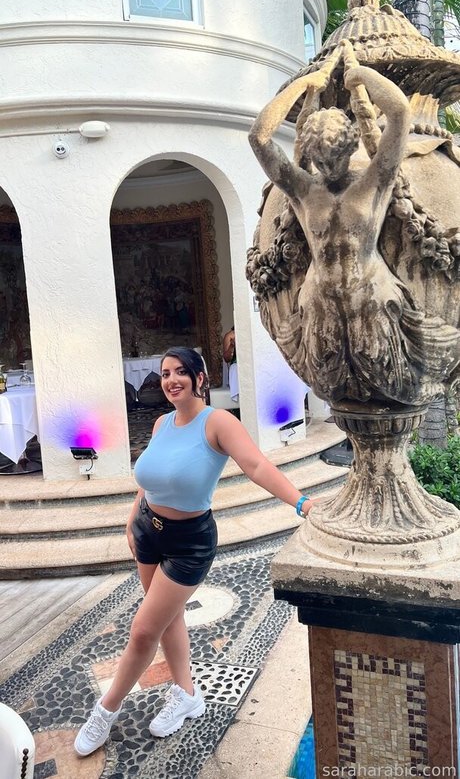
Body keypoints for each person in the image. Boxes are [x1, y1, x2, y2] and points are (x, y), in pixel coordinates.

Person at [74, 346, 315, 757]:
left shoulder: (217, 423)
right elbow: (149, 479)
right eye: (165, 373)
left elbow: (257, 466)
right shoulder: (161, 423)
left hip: (189, 543)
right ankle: (187, 695)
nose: (171, 380)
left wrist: (302, 503)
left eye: (180, 372)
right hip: (148, 532)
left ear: (199, 378)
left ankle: (105, 710)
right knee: (167, 619)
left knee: (143, 630)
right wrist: (132, 519)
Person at [248, 43, 458, 406]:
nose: (328, 167)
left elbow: (399, 114)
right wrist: (305, 85)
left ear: (348, 149)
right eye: (320, 159)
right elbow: (259, 137)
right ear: (311, 155)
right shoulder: (302, 190)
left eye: (334, 157)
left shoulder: (374, 182)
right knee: (336, 392)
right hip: (318, 304)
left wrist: (359, 75)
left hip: (372, 299)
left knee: (392, 387)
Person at [222, 326, 239, 402]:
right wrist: (231, 346)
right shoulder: (230, 335)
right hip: (236, 366)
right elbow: (227, 359)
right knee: (235, 368)